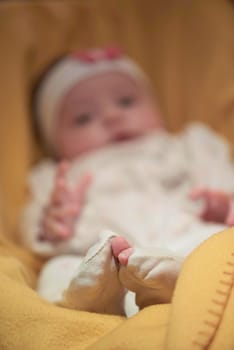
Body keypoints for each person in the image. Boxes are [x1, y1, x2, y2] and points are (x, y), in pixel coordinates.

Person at [21, 46, 234, 317]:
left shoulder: (184, 145)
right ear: (56, 143)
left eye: (126, 101)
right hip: (103, 259)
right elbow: (33, 228)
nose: (112, 116)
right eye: (83, 118)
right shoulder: (57, 176)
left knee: (216, 243)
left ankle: (170, 281)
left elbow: (221, 179)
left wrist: (221, 203)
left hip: (184, 235)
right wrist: (53, 224)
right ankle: (96, 296)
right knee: (56, 270)